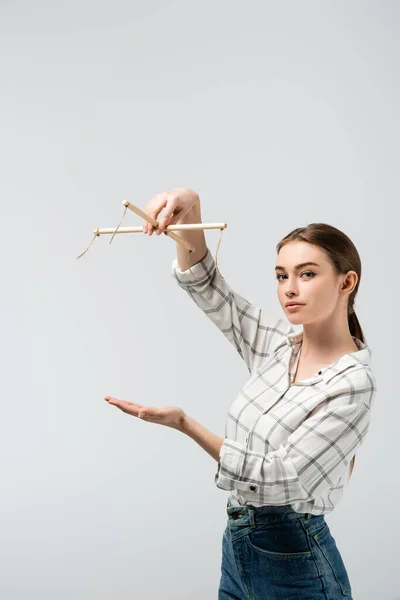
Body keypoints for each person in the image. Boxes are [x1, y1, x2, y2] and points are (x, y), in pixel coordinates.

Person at [106, 188, 377, 600]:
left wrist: (185, 425)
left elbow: (280, 479)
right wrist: (191, 208)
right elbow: (210, 289)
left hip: (296, 560)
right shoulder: (278, 345)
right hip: (238, 548)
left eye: (307, 274)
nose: (289, 288)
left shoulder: (352, 384)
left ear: (347, 281)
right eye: (281, 275)